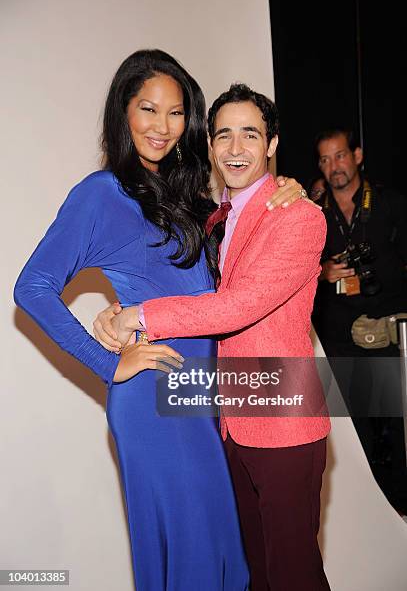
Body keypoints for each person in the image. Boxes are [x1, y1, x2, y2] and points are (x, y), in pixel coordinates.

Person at [13, 50, 303, 590]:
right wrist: (106, 363)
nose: (162, 127)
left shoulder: (189, 196)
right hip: (152, 400)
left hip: (203, 400)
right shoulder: (100, 193)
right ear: (124, 112)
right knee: (193, 559)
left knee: (225, 559)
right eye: (148, 109)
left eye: (176, 114)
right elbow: (32, 288)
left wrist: (287, 188)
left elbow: (222, 286)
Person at [94, 84, 331, 591]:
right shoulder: (211, 217)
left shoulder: (299, 216)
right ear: (209, 146)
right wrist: (115, 308)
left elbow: (238, 306)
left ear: (271, 145)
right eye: (223, 135)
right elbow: (179, 283)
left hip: (284, 424)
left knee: (294, 575)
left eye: (250, 134)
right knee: (256, 574)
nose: (235, 147)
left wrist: (138, 316)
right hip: (229, 423)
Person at [311, 127, 407, 512]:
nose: (333, 166)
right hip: (341, 340)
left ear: (357, 156)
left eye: (340, 156)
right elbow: (293, 272)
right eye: (325, 159)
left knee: (398, 429)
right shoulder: (313, 214)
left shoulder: (390, 203)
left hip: (388, 335)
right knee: (357, 435)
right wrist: (322, 272)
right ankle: (372, 514)